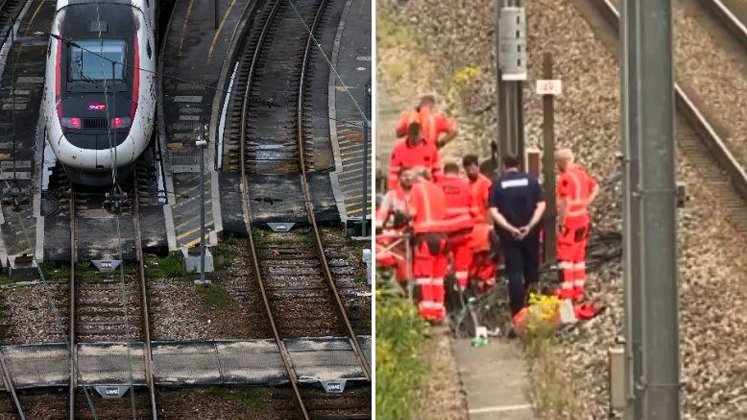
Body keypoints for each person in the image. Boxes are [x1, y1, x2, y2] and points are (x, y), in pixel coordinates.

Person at [488, 155, 546, 332]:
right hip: (531, 233)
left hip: (509, 235)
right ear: (519, 164)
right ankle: (534, 309)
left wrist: (510, 228)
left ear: (504, 165)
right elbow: (541, 205)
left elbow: (494, 211)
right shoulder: (531, 181)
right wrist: (529, 226)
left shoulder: (497, 184)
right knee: (532, 270)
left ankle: (517, 313)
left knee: (514, 273)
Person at [555, 148, 599, 301]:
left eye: (557, 163)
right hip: (583, 221)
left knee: (566, 259)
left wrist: (561, 222)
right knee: (579, 258)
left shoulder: (565, 178)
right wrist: (586, 203)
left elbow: (565, 202)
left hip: (571, 224)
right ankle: (578, 290)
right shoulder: (581, 174)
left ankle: (567, 294)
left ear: (561, 162)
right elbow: (595, 187)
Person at [408, 167, 448, 322]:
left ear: (419, 177)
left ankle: (427, 314)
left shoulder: (416, 189)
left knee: (425, 278)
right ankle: (439, 312)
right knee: (438, 279)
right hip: (442, 239)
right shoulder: (438, 190)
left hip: (424, 238)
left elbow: (412, 212)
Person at [437, 162, 474, 289]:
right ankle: (460, 291)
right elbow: (473, 209)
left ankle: (443, 289)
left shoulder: (437, 186)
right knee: (462, 264)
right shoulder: (465, 186)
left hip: (442, 232)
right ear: (458, 172)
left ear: (444, 172)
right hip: (462, 231)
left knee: (441, 262)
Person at [463, 154, 497, 292]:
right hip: (471, 229)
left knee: (484, 260)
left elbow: (489, 206)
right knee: (473, 262)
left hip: (482, 227)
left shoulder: (485, 183)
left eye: (472, 168)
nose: (470, 171)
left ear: (477, 167)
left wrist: (490, 226)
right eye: (467, 169)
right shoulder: (466, 184)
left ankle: (484, 286)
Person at [388, 115, 442, 191]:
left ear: (422, 134)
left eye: (417, 138)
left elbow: (437, 171)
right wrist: (392, 190)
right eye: (412, 139)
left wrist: (438, 187)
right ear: (408, 135)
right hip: (407, 188)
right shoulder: (399, 149)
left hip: (427, 187)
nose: (415, 141)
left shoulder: (431, 148)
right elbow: (393, 173)